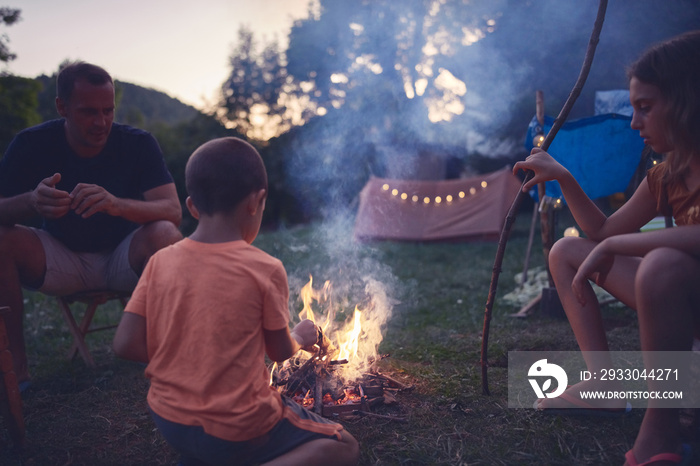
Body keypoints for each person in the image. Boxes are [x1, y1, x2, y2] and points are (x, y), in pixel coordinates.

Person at [112, 137, 360, 466]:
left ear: (192, 206)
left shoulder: (160, 262)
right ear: (256, 202)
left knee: (208, 448)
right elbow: (279, 352)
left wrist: (187, 355)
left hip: (169, 419)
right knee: (345, 446)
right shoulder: (264, 268)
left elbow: (125, 343)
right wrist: (300, 335)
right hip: (240, 427)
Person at [513, 30, 700, 466]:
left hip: (679, 287)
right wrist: (564, 176)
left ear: (687, 99)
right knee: (566, 251)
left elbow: (619, 241)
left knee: (662, 264)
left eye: (645, 108)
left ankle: (662, 424)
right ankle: (606, 387)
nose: (635, 123)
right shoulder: (666, 175)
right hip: (687, 302)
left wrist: (621, 243)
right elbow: (602, 231)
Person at [0, 61, 182, 389]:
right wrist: (32, 201)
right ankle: (16, 376)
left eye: (108, 111)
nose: (101, 122)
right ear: (62, 107)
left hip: (123, 259)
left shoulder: (137, 143)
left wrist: (116, 204)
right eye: (88, 112)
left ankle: (176, 354)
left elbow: (172, 210)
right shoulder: (31, 144)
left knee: (166, 234)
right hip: (61, 258)